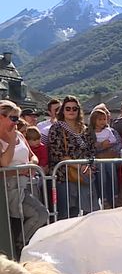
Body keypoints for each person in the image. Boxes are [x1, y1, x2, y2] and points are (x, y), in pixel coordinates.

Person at [0, 100, 49, 251]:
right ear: (1, 117)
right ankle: (19, 246)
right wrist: (11, 141)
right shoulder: (7, 138)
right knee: (34, 215)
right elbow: (5, 162)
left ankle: (21, 245)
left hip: (25, 184)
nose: (16, 122)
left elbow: (32, 156)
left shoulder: (19, 135)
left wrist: (31, 165)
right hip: (7, 187)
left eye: (17, 118)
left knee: (38, 214)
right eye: (13, 118)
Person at [48, 96, 99, 219]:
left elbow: (91, 150)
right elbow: (56, 153)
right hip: (64, 175)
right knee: (67, 214)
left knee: (90, 212)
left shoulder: (85, 129)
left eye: (74, 108)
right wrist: (78, 166)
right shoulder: (56, 128)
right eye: (68, 108)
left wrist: (90, 166)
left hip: (84, 174)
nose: (71, 111)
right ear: (63, 111)